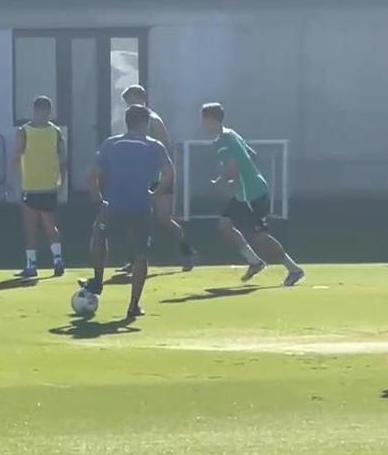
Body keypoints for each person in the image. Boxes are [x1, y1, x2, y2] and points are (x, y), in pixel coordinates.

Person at [83, 105, 175, 319]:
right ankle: (133, 305)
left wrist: (98, 200)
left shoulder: (110, 143)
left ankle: (97, 280)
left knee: (99, 233)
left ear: (127, 121)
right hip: (140, 207)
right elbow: (169, 174)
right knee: (140, 254)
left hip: (113, 205)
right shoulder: (154, 146)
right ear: (146, 123)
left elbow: (91, 176)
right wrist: (156, 193)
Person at [201, 103, 305, 286]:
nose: (203, 124)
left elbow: (233, 168)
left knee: (259, 237)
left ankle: (294, 269)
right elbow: (252, 155)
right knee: (225, 225)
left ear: (212, 120)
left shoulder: (224, 141)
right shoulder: (230, 135)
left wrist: (221, 181)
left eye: (204, 120)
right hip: (245, 193)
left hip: (252, 194)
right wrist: (239, 177)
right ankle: (254, 261)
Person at [118, 85, 197, 272]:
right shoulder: (135, 122)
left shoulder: (153, 120)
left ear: (141, 98)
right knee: (138, 217)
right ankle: (136, 259)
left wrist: (162, 175)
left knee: (163, 218)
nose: (129, 106)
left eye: (131, 101)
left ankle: (188, 252)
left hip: (159, 178)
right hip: (142, 177)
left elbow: (166, 146)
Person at [11, 96, 66, 279]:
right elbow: (63, 159)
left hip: (34, 185)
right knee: (48, 225)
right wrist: (61, 181)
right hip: (44, 185)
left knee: (33, 226)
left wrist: (16, 179)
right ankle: (57, 260)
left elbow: (17, 155)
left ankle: (32, 264)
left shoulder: (25, 131)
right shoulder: (54, 131)